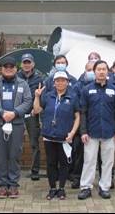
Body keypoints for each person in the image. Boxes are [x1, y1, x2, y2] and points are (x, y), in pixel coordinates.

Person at [0, 56, 32, 199]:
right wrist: (1, 113)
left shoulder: (23, 84)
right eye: (6, 67)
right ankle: (2, 185)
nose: (9, 69)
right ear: (2, 69)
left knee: (14, 154)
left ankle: (13, 185)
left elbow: (28, 101)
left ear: (16, 69)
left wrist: (15, 113)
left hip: (16, 124)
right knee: (0, 155)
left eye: (11, 67)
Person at [77, 60, 115, 200]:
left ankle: (104, 187)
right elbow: (83, 112)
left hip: (109, 132)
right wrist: (83, 131)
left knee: (108, 161)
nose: (101, 71)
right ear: (94, 71)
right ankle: (86, 187)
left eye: (104, 69)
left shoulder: (114, 89)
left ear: (107, 71)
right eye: (99, 69)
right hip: (91, 132)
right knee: (89, 161)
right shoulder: (87, 89)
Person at [34, 72, 80, 200]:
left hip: (65, 138)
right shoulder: (48, 96)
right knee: (51, 163)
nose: (60, 83)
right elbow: (37, 110)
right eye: (58, 80)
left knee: (64, 164)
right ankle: (52, 188)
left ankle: (62, 189)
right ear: (54, 83)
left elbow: (77, 117)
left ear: (67, 82)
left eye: (63, 80)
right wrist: (37, 96)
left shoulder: (73, 97)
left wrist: (72, 133)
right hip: (49, 136)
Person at [17, 53, 45, 181]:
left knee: (34, 144)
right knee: (15, 143)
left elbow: (42, 96)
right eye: (24, 62)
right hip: (17, 115)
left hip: (32, 115)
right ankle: (15, 170)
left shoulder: (39, 78)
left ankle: (35, 171)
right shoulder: (16, 77)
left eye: (29, 62)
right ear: (21, 64)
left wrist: (37, 108)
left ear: (33, 64)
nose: (27, 65)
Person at [69, 61, 95, 189]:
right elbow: (75, 104)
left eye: (93, 70)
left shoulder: (103, 85)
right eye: (88, 69)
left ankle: (104, 179)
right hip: (81, 124)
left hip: (96, 125)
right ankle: (76, 178)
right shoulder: (77, 86)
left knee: (99, 156)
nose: (91, 72)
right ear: (85, 70)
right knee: (79, 153)